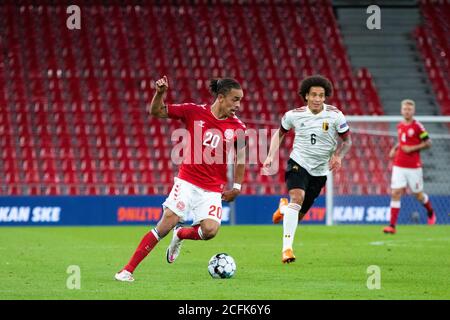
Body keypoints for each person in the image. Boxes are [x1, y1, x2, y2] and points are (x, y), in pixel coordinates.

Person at [115, 76, 247, 281]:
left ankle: (180, 235)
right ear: (221, 98)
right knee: (167, 221)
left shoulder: (238, 128)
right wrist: (160, 94)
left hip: (212, 189)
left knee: (210, 230)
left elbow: (241, 158)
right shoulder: (194, 111)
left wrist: (236, 186)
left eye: (240, 100)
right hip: (187, 181)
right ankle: (127, 270)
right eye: (235, 99)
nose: (238, 105)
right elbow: (156, 111)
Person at [263, 75, 352, 264]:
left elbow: (347, 141)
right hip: (298, 163)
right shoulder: (293, 115)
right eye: (313, 95)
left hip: (320, 171)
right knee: (297, 198)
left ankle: (284, 209)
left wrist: (338, 156)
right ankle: (286, 250)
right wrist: (270, 155)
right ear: (306, 96)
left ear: (325, 96)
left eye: (321, 95)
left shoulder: (336, 115)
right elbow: (279, 135)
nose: (318, 99)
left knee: (299, 215)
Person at [383, 99, 436, 234]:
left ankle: (430, 212)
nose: (407, 111)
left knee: (418, 195)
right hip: (399, 165)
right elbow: (402, 141)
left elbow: (428, 142)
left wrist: (412, 148)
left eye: (409, 109)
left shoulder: (418, 126)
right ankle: (392, 226)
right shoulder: (400, 125)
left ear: (413, 111)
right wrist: (395, 149)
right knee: (395, 193)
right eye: (405, 109)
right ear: (401, 111)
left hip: (414, 167)